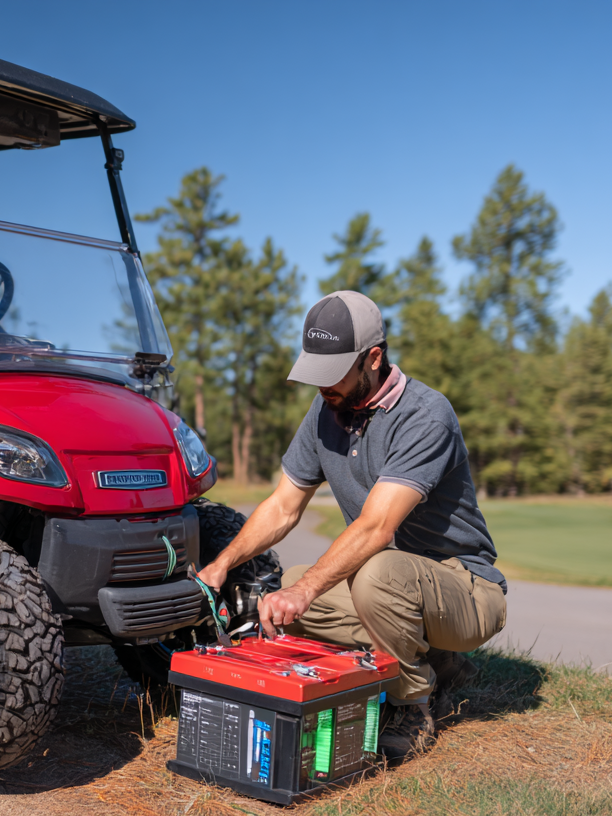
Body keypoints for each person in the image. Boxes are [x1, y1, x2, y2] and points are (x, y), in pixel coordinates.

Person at [197, 290, 507, 761]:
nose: (322, 385)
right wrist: (221, 565)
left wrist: (307, 590)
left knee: (365, 577)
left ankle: (413, 706)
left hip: (466, 589)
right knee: (290, 591)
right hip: (392, 584)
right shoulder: (326, 411)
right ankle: (440, 663)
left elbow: (376, 527)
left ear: (374, 358)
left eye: (333, 371)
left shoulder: (424, 415)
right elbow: (283, 506)